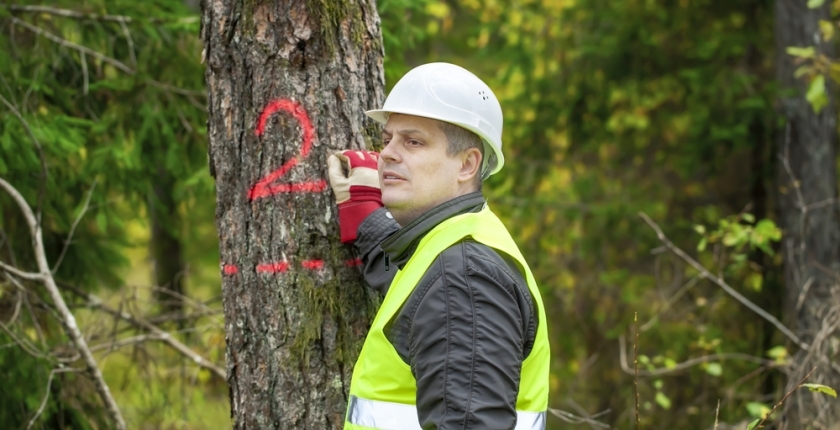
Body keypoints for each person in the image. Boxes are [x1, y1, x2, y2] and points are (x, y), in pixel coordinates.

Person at [327, 62, 550, 430]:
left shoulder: (463, 278)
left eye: (413, 141)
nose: (387, 154)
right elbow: (417, 294)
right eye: (387, 140)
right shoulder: (459, 241)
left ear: (467, 165)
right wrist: (369, 217)